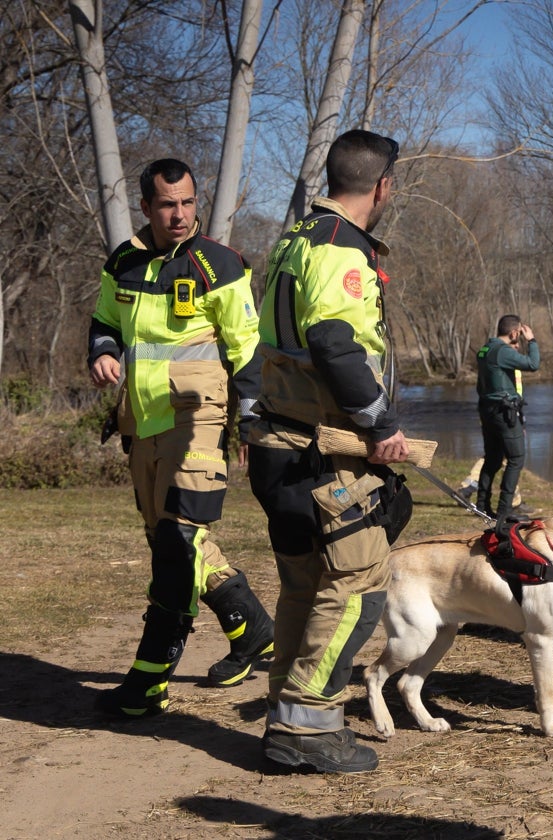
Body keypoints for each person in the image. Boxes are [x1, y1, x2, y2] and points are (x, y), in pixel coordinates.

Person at [87, 158, 274, 718]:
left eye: (188, 202)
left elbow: (246, 347)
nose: (179, 214)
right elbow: (104, 323)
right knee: (169, 539)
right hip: (139, 423)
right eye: (167, 204)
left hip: (197, 421)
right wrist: (101, 351)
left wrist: (254, 422)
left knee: (175, 544)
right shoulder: (122, 263)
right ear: (145, 207)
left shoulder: (218, 263)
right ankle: (252, 628)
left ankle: (148, 680)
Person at [249, 129, 410, 773]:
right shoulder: (343, 248)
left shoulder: (295, 238)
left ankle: (285, 717)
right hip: (322, 453)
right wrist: (379, 424)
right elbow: (336, 344)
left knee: (303, 586)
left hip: (276, 444)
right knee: (359, 588)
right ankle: (310, 726)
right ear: (382, 186)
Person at [475, 315, 540, 521]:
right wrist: (532, 341)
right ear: (514, 333)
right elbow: (532, 364)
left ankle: (482, 504)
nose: (519, 337)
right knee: (516, 458)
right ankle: (505, 510)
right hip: (504, 412)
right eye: (519, 334)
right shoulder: (502, 351)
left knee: (493, 459)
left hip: (487, 410)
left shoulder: (486, 349)